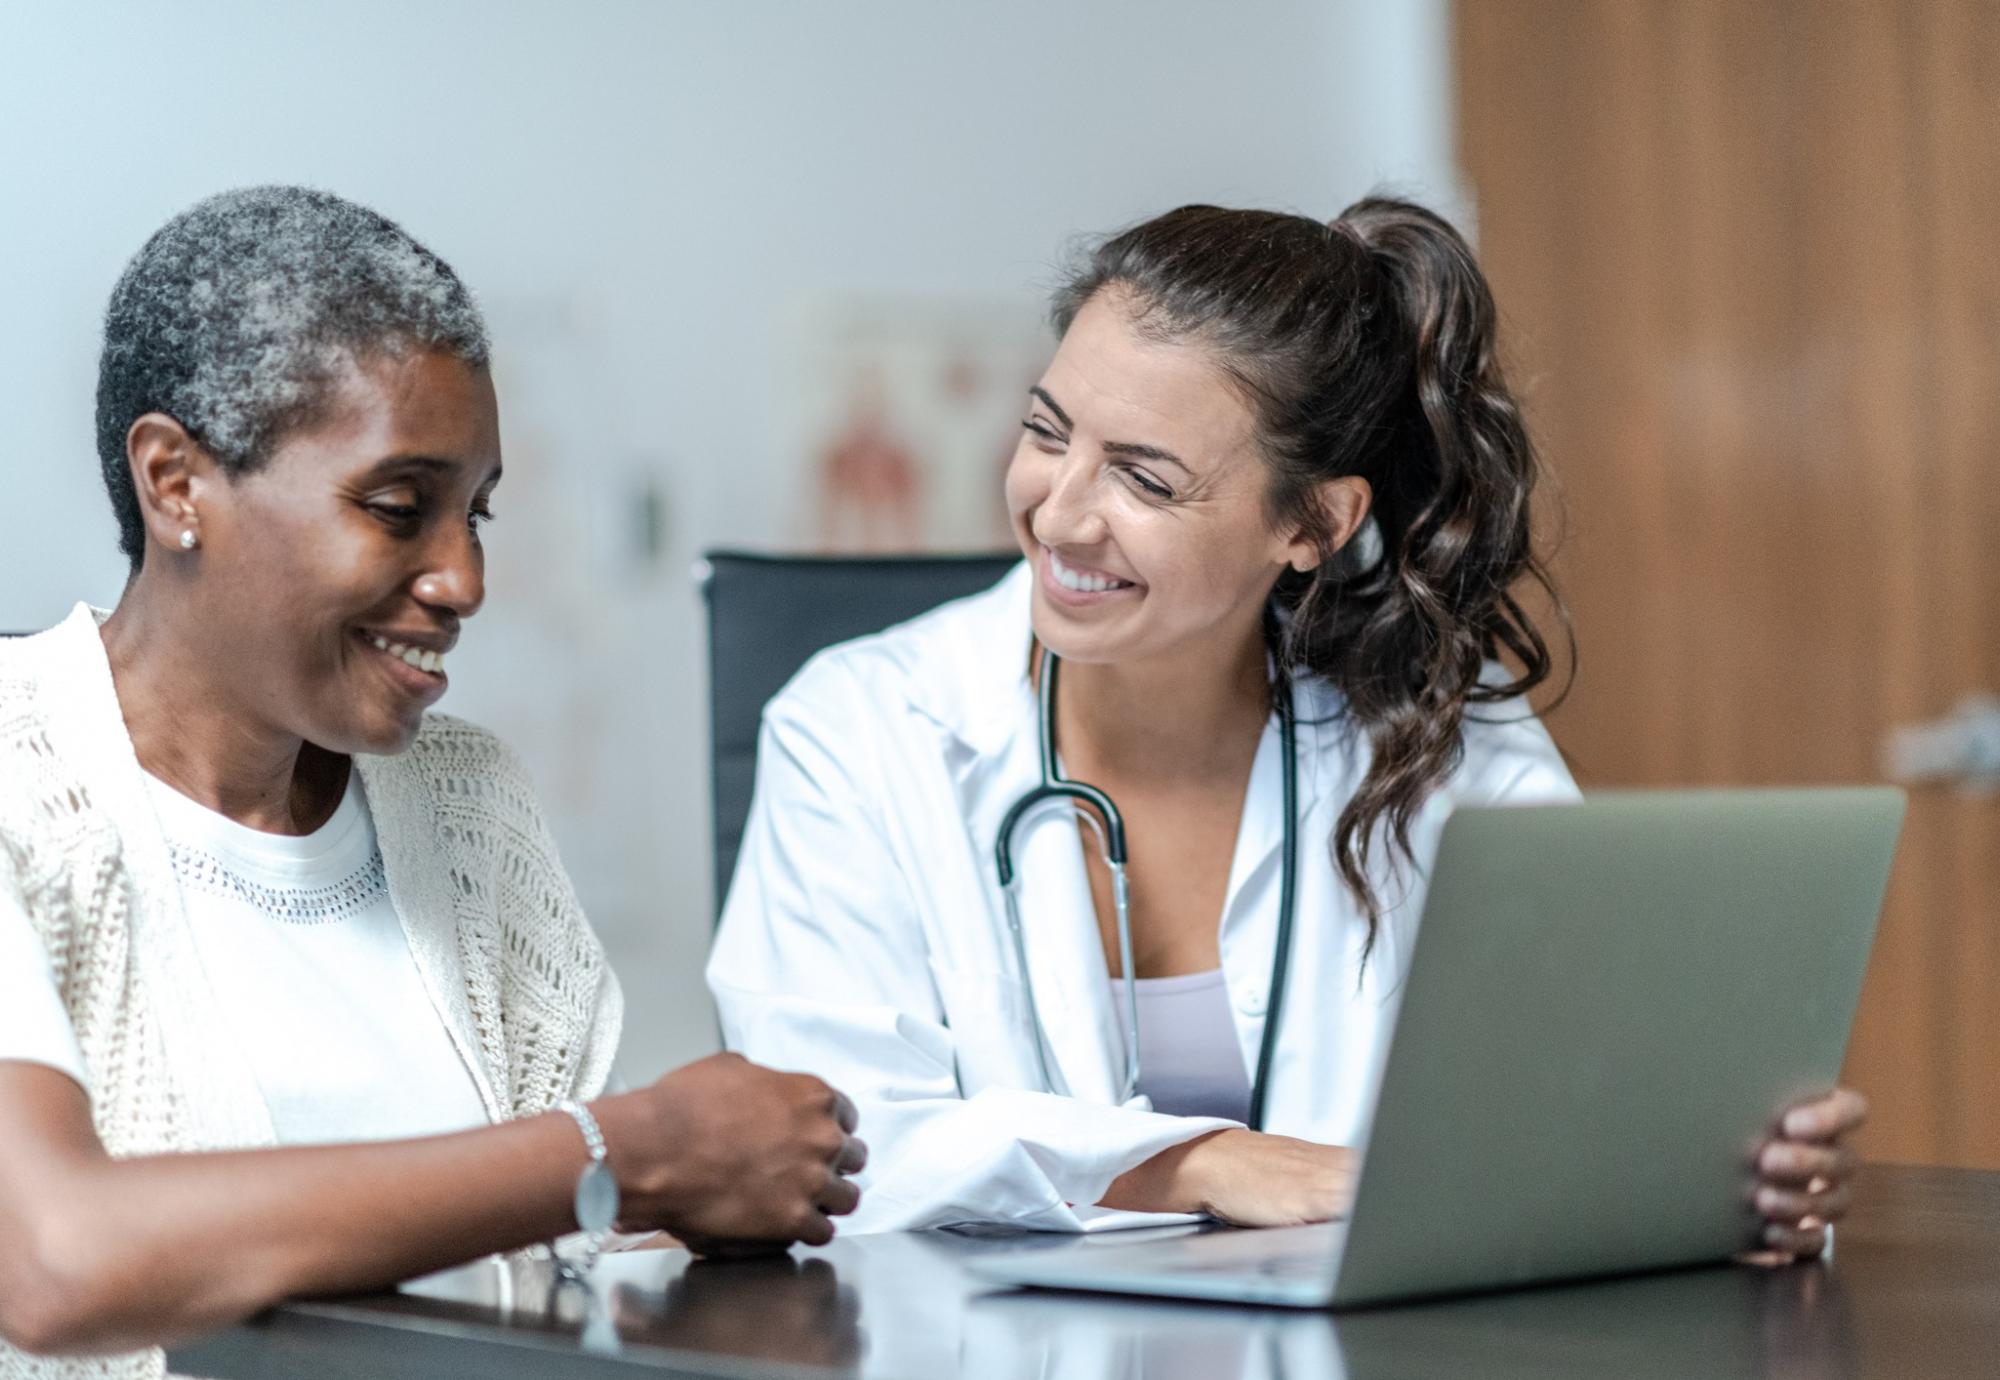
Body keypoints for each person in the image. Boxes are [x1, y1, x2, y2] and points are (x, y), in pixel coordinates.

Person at [708, 198, 1861, 1248]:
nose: (1058, 513)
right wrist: (1205, 1163)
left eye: (1143, 481)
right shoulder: (861, 727)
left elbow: (1590, 1101)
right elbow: (820, 1143)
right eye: (1048, 431)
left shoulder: (1437, 748)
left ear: (1311, 520)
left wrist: (1724, 1175)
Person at [0, 187, 864, 1378]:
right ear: (175, 483)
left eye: (477, 514)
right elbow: (55, 1262)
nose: (462, 577)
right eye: (399, 509)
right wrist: (627, 1149)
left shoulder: (467, 805)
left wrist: (688, 1195)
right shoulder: (18, 782)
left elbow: (581, 1247)